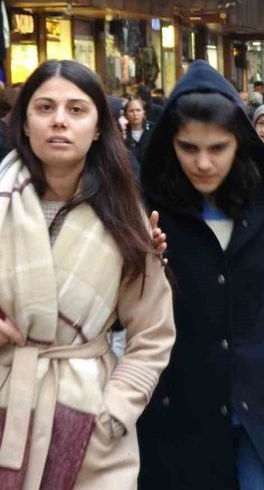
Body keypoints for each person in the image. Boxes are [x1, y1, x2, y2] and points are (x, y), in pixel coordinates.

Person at [137, 61, 264, 489]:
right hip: (183, 401)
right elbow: (124, 314)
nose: (204, 162)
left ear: (240, 143)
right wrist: (142, 263)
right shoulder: (148, 207)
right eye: (189, 148)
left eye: (218, 148)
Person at [0, 59, 175, 488]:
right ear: (24, 123)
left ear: (98, 127)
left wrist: (114, 412)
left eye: (76, 110)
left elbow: (152, 332)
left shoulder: (126, 217)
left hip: (91, 424)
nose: (59, 121)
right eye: (44, 108)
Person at [123, 98, 155, 174]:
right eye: (131, 111)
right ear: (126, 114)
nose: (135, 114)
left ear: (143, 112)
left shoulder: (153, 129)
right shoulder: (122, 131)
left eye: (138, 110)